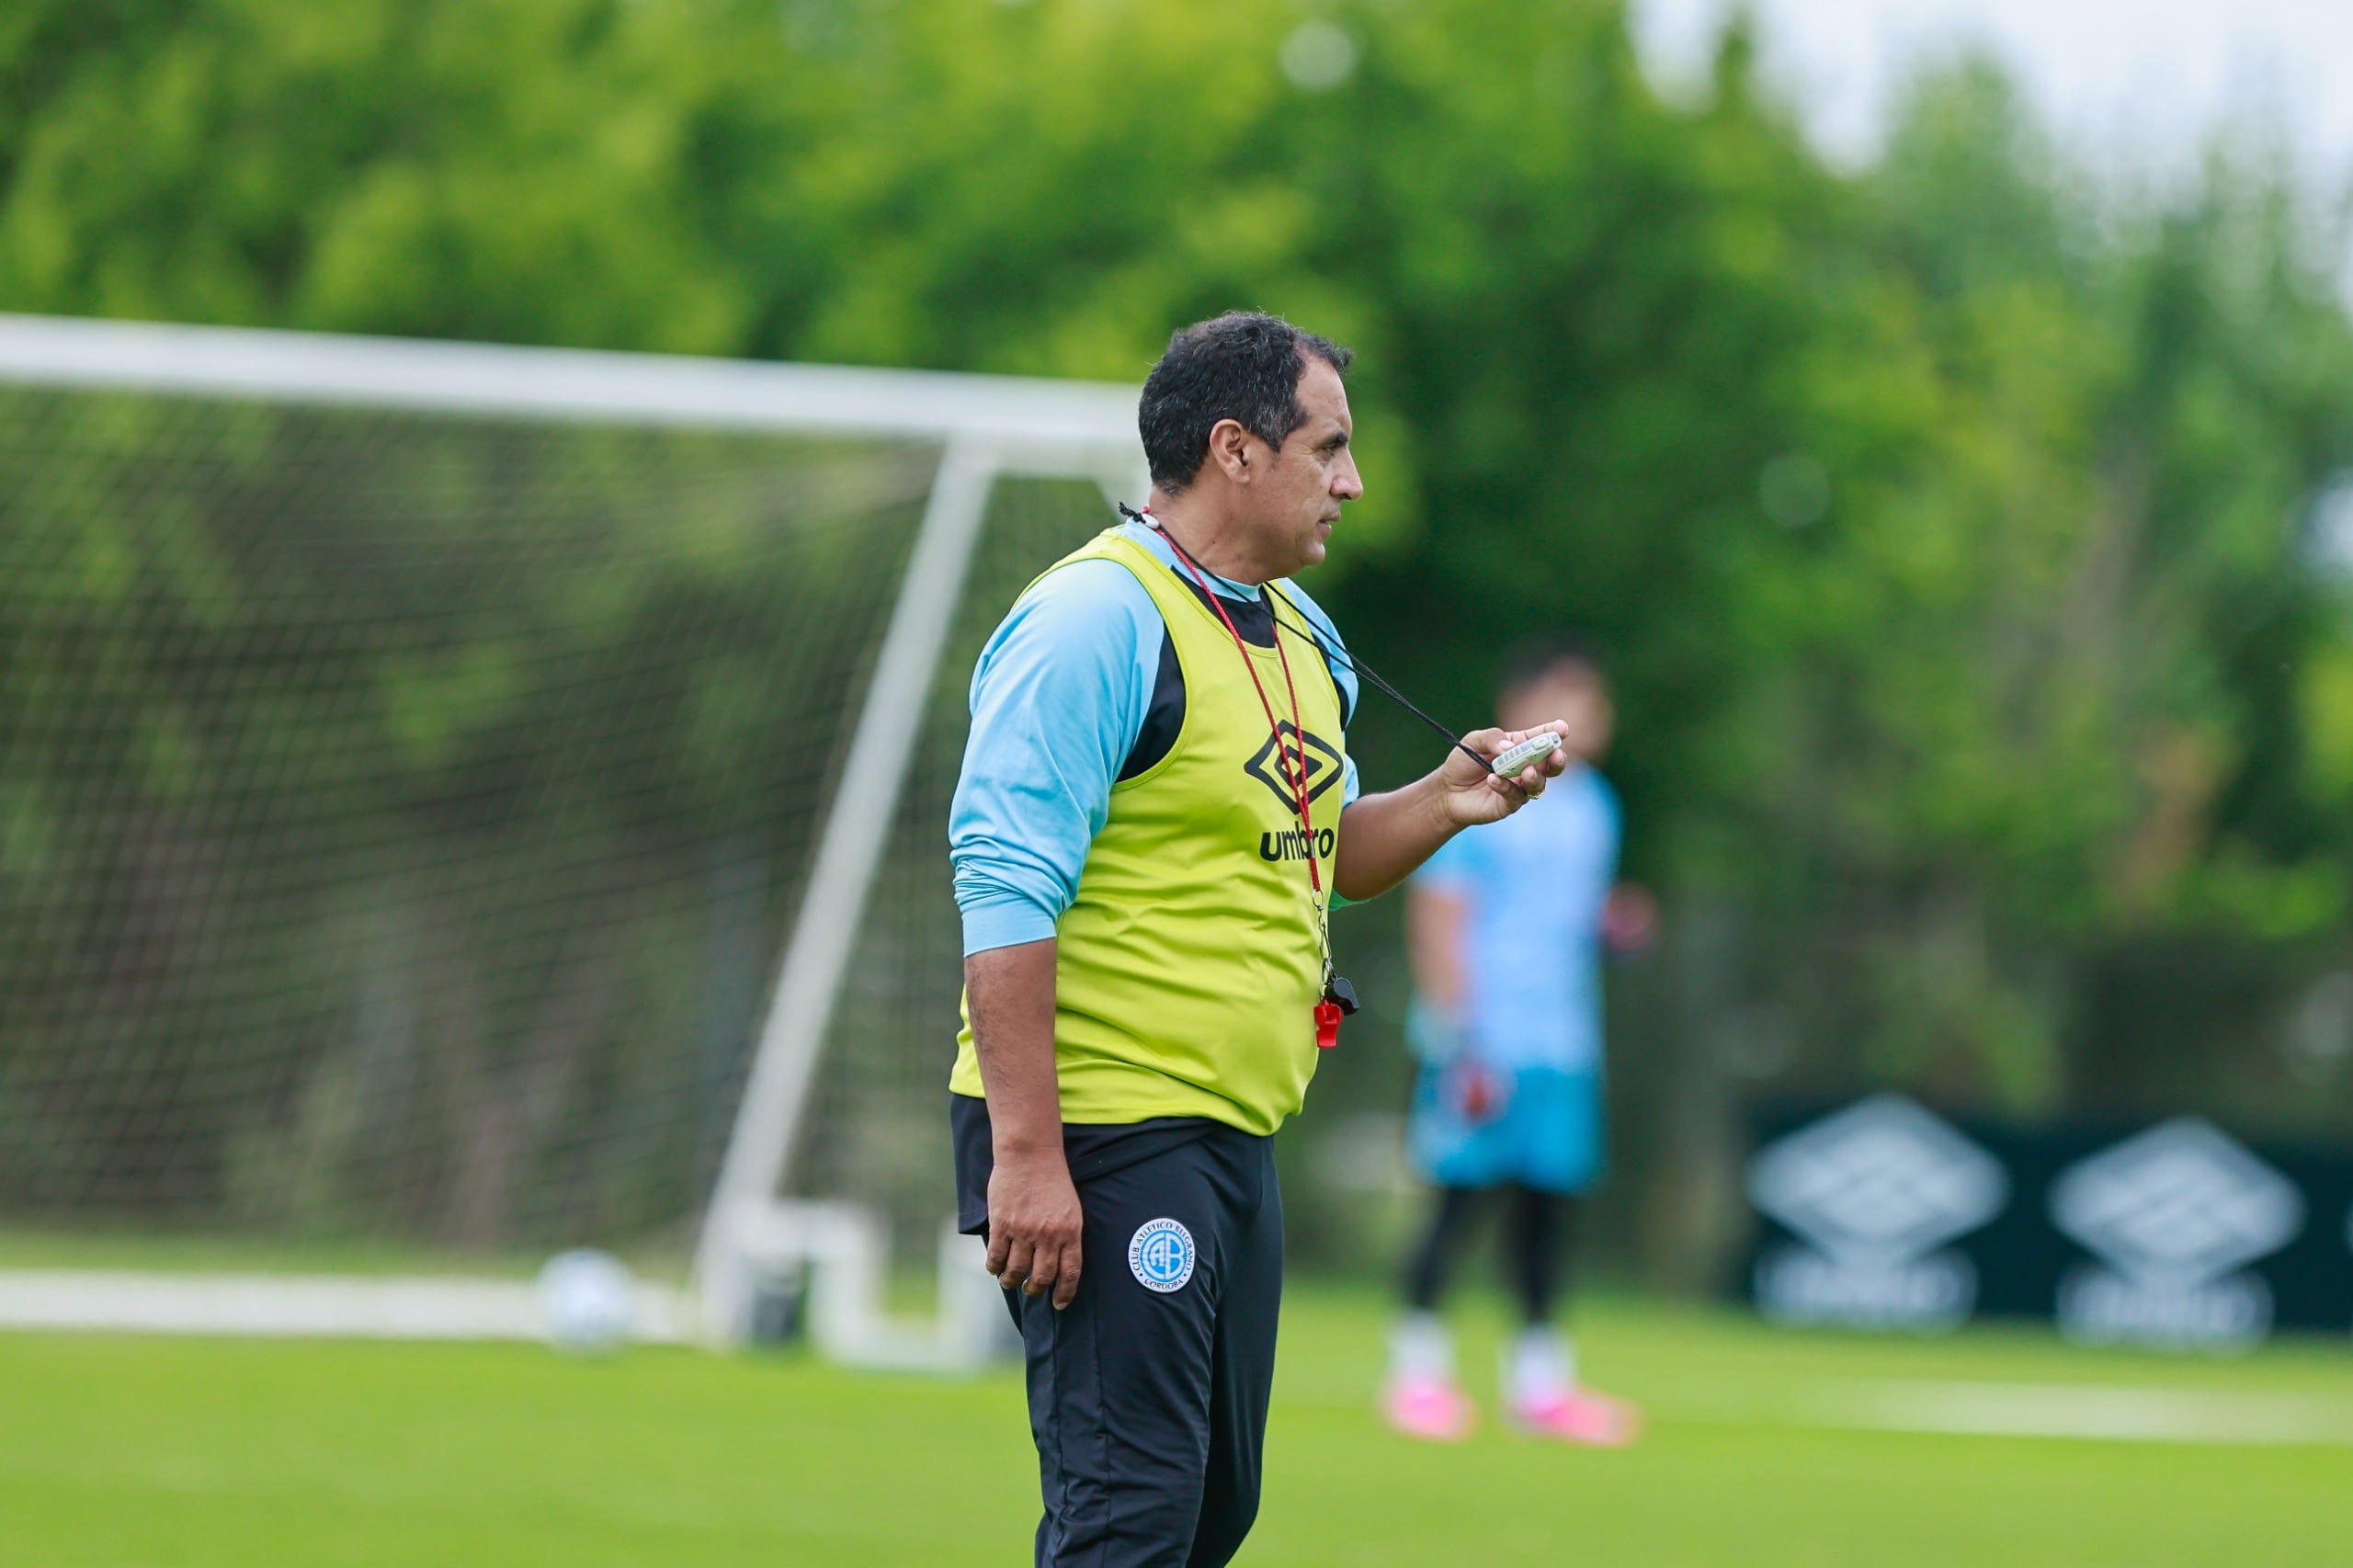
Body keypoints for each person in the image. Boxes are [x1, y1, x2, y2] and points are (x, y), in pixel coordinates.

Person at [948, 311, 1573, 1567]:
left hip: (1233, 1135)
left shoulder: (1303, 635)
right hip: (1107, 1131)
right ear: (1235, 449)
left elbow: (1321, 850)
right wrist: (1028, 1154)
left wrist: (1451, 801)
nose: (1352, 480)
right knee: (1131, 1516)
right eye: (1329, 447)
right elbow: (1005, 887)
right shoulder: (1093, 621)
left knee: (1209, 1512)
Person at [1381, 639, 1641, 1447]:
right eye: (1579, 696)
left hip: (1562, 1044)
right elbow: (1439, 915)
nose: (1596, 714)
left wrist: (1615, 925)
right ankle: (1415, 1377)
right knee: (1455, 1207)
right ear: (1527, 701)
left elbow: (1563, 920)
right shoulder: (1482, 793)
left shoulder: (1598, 806)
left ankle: (1540, 1387)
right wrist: (1458, 1035)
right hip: (1485, 1041)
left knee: (1545, 1215)